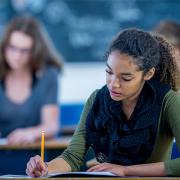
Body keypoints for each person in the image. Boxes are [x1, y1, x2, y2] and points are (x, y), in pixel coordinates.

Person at [26, 29, 180, 177]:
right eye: (109, 72)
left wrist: (126, 171)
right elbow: (72, 157)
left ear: (148, 73)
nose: (113, 84)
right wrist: (46, 167)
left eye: (126, 78)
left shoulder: (168, 101)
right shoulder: (97, 99)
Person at [0, 16, 63, 144]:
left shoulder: (48, 74)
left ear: (35, 51)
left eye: (25, 51)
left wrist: (31, 134)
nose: (17, 56)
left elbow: (51, 126)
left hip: (34, 154)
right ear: (4, 46)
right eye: (12, 48)